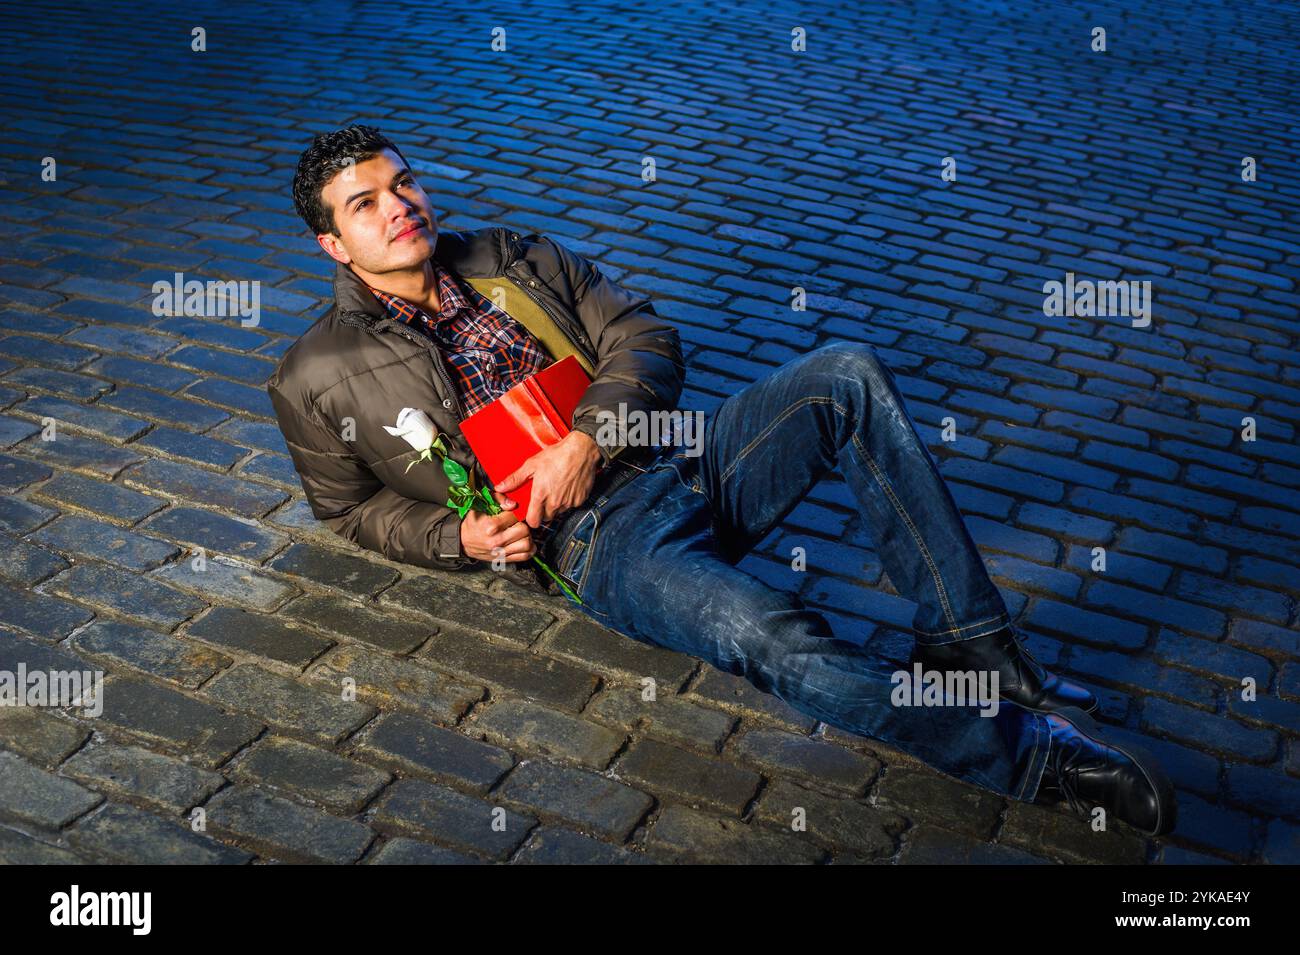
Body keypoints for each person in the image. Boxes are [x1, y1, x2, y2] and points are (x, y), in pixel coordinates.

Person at [269, 124, 1176, 838]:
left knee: (845, 372)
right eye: (366, 204)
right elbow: (349, 509)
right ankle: (1029, 757)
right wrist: (457, 538)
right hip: (600, 541)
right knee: (774, 636)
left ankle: (972, 647)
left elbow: (648, 341)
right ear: (332, 244)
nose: (400, 207)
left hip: (675, 456)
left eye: (403, 183)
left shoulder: (511, 257)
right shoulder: (314, 372)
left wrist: (590, 434)